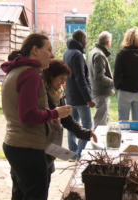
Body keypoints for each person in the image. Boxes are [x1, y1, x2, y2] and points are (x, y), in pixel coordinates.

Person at [1, 33, 72, 200]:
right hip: (28, 147)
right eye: (48, 50)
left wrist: (50, 116)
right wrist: (55, 113)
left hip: (14, 144)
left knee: (19, 199)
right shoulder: (30, 74)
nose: (51, 55)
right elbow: (27, 115)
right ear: (34, 50)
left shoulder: (14, 71)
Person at [41, 59, 98, 169]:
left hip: (51, 144)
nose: (62, 83)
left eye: (64, 79)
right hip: (38, 143)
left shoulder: (58, 92)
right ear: (51, 76)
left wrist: (86, 133)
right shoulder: (41, 92)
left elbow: (66, 120)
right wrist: (53, 115)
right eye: (61, 79)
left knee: (47, 174)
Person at [63, 30, 95, 160]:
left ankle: (72, 152)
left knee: (72, 125)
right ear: (82, 39)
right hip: (80, 98)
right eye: (86, 38)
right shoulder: (77, 54)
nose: (87, 41)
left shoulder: (67, 53)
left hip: (70, 96)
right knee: (87, 125)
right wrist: (88, 98)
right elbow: (80, 78)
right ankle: (80, 153)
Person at [87, 31, 115, 129]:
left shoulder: (93, 51)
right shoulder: (99, 54)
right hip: (101, 93)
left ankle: (99, 143)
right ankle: (97, 143)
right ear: (108, 42)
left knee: (102, 121)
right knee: (100, 125)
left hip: (98, 92)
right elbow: (99, 77)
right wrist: (114, 83)